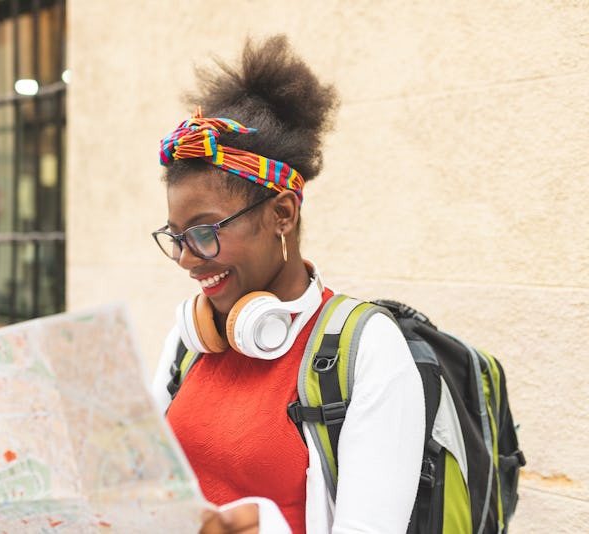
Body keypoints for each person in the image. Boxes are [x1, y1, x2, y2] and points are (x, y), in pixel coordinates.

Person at [150, 35, 425, 534]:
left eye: (206, 232)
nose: (187, 258)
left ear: (282, 213)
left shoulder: (364, 350)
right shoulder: (188, 344)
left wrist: (269, 526)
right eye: (176, 236)